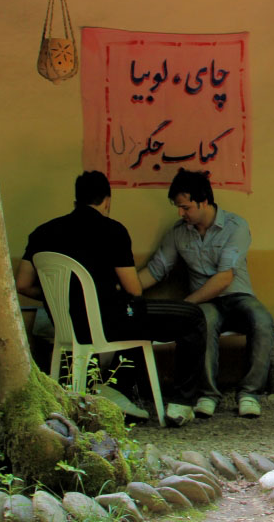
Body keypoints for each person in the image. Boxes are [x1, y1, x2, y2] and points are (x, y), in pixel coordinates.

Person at [14, 170, 215, 424]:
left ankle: (118, 390)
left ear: (76, 200)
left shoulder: (42, 233)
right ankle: (181, 403)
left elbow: (22, 284)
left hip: (68, 326)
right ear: (107, 201)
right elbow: (134, 289)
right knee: (192, 316)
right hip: (111, 324)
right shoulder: (112, 230)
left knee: (136, 317)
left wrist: (63, 299)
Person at [139, 168, 273, 418]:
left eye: (185, 207)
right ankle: (208, 394)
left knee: (262, 320)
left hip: (237, 296)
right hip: (206, 303)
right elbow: (156, 271)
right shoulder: (178, 233)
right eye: (178, 207)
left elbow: (224, 278)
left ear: (204, 202)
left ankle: (249, 393)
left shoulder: (236, 226)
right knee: (204, 321)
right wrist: (125, 286)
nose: (180, 213)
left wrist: (186, 304)